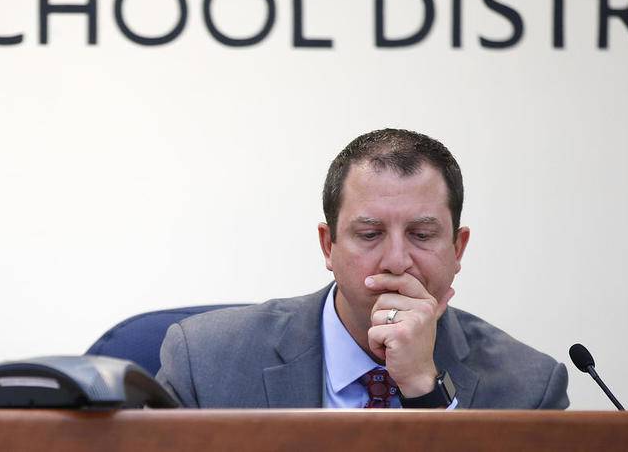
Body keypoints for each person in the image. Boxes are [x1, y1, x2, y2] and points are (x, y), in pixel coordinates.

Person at [156, 129, 569, 409]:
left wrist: (425, 388)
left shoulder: (528, 388)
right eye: (370, 234)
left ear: (457, 249)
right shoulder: (206, 362)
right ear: (328, 245)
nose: (395, 260)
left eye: (422, 235)